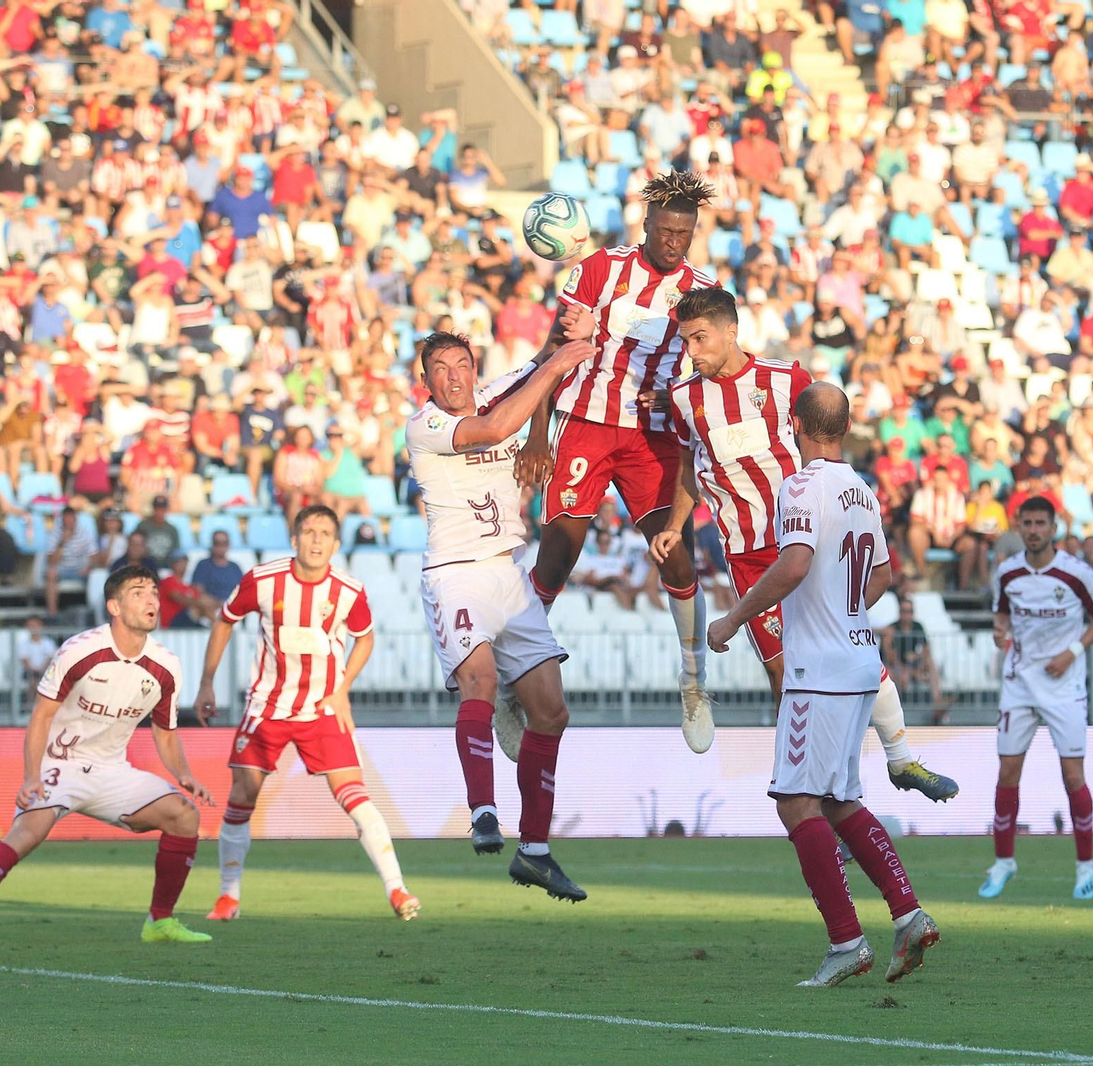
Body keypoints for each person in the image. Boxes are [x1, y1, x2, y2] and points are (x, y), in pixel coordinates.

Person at [650, 287, 958, 800]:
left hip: (807, 540)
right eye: (686, 341)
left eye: (701, 338)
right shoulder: (686, 398)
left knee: (855, 644)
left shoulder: (784, 378)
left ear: (732, 331)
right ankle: (812, 788)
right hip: (749, 551)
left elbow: (822, 436)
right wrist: (674, 524)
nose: (693, 351)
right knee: (785, 675)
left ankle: (899, 761)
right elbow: (688, 466)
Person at [705, 382, 940, 987]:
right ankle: (908, 916)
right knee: (837, 800)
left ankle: (846, 941)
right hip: (860, 661)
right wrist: (845, 616)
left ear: (796, 424)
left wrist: (733, 617)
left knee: (794, 801)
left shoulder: (802, 486)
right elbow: (884, 572)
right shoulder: (862, 489)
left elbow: (796, 562)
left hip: (819, 673)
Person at [515, 171, 718, 749]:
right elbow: (556, 351)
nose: (674, 242)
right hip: (585, 426)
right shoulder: (601, 269)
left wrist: (675, 393)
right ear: (647, 226)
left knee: (675, 555)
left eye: (685, 233)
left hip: (652, 437)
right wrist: (536, 433)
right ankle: (514, 680)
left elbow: (709, 362)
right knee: (559, 552)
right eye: (666, 231)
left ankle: (695, 682)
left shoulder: (702, 287)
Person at [0, 565, 214, 946]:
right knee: (28, 835)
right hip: (57, 764)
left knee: (184, 816)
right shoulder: (81, 650)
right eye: (138, 592)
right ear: (113, 606)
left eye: (153, 592)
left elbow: (164, 731)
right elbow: (41, 715)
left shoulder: (167, 665)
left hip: (112, 770)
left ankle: (159, 922)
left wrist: (184, 773)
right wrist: (32, 776)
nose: (151, 600)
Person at [409, 330, 597, 901]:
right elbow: (497, 427)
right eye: (440, 368)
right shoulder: (427, 426)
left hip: (508, 575)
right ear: (427, 382)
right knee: (481, 681)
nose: (453, 376)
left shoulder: (500, 392)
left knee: (553, 711)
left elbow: (542, 365)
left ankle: (535, 852)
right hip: (456, 573)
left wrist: (564, 338)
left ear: (474, 368)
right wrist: (557, 364)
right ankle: (483, 812)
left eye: (461, 364)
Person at [193, 505, 417, 923]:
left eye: (325, 533)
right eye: (308, 531)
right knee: (243, 795)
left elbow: (364, 639)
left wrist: (343, 689)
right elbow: (225, 621)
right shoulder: (262, 580)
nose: (316, 540)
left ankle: (397, 889)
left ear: (335, 543)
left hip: (322, 706)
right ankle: (228, 897)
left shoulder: (348, 590)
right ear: (294, 539)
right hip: (267, 706)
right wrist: (207, 681)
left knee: (355, 794)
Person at [982, 495, 1093, 903]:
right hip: (1020, 683)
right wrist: (999, 631)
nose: (1034, 530)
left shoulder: (1076, 573)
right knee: (1008, 772)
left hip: (1065, 686)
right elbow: (1002, 614)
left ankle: (1085, 867)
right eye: (1028, 523)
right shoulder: (1007, 573)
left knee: (1072, 776)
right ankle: (1004, 861)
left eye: (1041, 523)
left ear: (1054, 527)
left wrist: (1072, 653)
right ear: (1019, 527)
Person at [42, 507, 96, 617]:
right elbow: (51, 561)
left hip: (81, 569)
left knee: (97, 575)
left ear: (75, 519)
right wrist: (62, 542)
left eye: (71, 519)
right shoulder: (55, 534)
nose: (69, 522)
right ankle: (52, 613)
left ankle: (94, 611)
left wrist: (89, 568)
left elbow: (94, 557)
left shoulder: (85, 533)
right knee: (51, 573)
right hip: (62, 570)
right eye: (66, 519)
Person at [15, 615, 55, 691]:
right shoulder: (23, 644)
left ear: (41, 626)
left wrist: (42, 670)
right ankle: (33, 702)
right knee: (33, 680)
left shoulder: (48, 642)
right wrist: (34, 671)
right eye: (30, 626)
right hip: (30, 673)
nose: (33, 628)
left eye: (35, 625)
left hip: (45, 672)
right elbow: (25, 661)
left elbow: (50, 659)